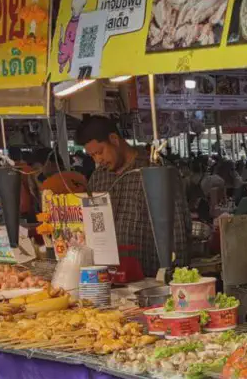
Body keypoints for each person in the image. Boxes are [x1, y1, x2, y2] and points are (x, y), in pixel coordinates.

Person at [75, 115, 190, 278]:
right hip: (111, 278)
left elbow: (176, 230)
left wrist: (177, 278)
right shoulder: (99, 177)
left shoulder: (154, 171)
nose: (98, 160)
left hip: (151, 277)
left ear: (114, 139)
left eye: (100, 152)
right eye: (92, 156)